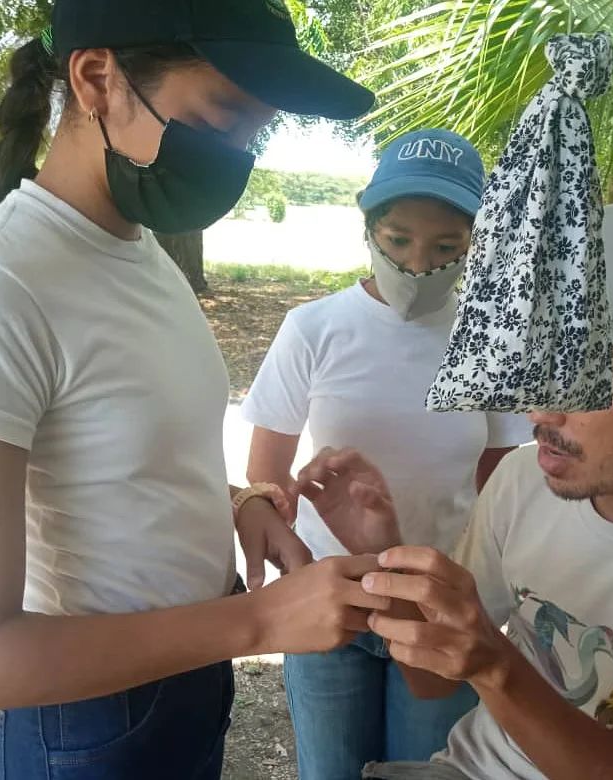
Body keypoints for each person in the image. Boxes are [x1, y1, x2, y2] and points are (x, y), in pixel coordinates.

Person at [0, 1, 394, 778]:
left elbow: (123, 457)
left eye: (254, 132)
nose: (236, 157)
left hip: (183, 677)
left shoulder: (137, 252)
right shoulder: (4, 285)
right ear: (96, 79)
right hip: (78, 720)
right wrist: (259, 621)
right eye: (220, 119)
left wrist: (240, 503)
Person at [295, 203, 613, 780]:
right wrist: (383, 554)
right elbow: (433, 679)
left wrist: (497, 666)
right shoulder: (523, 482)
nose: (538, 410)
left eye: (579, 377)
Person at [241, 128, 532, 779]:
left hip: (438, 605)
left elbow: (501, 484)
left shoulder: (490, 343)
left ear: (473, 243)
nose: (417, 263)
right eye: (398, 239)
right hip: (332, 597)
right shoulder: (314, 329)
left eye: (445, 247)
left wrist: (476, 594)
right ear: (369, 229)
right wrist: (297, 568)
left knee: (427, 770)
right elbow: (266, 475)